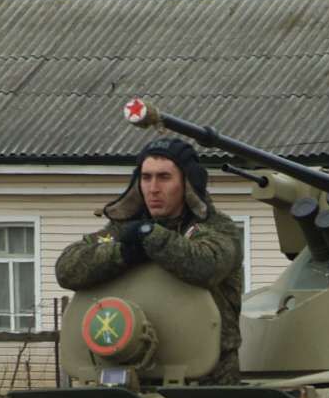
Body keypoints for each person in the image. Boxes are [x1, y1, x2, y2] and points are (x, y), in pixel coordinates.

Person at [56, 135, 243, 383]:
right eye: (146, 177)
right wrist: (124, 252)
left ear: (187, 183)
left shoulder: (217, 229)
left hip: (207, 377)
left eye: (164, 177)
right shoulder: (121, 230)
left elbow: (207, 265)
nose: (153, 188)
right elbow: (67, 268)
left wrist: (151, 237)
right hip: (126, 369)